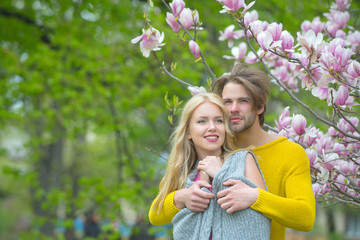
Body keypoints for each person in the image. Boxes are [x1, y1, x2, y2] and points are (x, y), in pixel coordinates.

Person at [148, 64, 316, 240]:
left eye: (243, 101)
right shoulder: (213, 146)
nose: (233, 108)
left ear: (259, 107)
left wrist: (256, 197)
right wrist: (181, 197)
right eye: (227, 102)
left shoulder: (289, 153)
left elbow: (305, 218)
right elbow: (155, 215)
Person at [150, 92, 270, 239]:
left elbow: (264, 215)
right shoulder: (186, 172)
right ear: (188, 132)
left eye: (219, 121)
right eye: (202, 121)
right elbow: (155, 216)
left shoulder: (243, 160)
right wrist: (182, 197)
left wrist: (221, 174)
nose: (212, 127)